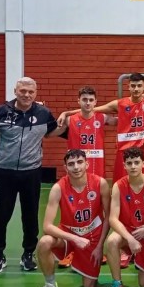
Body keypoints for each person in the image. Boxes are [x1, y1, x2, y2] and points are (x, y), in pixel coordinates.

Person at [0, 77, 57, 273]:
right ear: (15, 91)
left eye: (30, 92)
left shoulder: (43, 113)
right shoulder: (1, 111)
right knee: (1, 215)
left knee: (30, 215)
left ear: (36, 93)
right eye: (23, 91)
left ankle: (28, 254)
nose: (26, 95)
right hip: (4, 172)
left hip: (31, 172)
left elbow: (58, 129)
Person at [57, 73, 144, 182]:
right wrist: (67, 113)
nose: (136, 89)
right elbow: (91, 109)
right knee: (121, 186)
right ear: (128, 87)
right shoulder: (119, 104)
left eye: (139, 86)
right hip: (124, 151)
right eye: (133, 86)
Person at [33, 149, 110, 287]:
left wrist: (100, 247)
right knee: (44, 242)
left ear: (87, 164)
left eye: (80, 162)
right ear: (65, 167)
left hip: (92, 238)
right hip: (68, 235)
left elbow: (109, 216)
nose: (76, 167)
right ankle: (50, 286)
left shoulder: (100, 183)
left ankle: (81, 263)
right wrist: (75, 238)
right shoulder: (58, 188)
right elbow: (47, 226)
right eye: (71, 164)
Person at [54, 86, 116, 268]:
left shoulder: (102, 118)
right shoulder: (70, 120)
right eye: (84, 99)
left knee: (99, 213)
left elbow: (124, 119)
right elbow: (50, 133)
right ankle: (71, 250)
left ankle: (97, 247)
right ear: (78, 101)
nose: (88, 103)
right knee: (71, 212)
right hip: (76, 175)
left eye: (91, 100)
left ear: (96, 102)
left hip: (97, 175)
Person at [104, 147, 144, 287]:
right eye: (129, 163)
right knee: (112, 241)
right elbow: (113, 218)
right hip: (128, 232)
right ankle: (117, 285)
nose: (133, 166)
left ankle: (141, 260)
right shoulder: (118, 185)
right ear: (124, 165)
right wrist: (130, 239)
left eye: (136, 162)